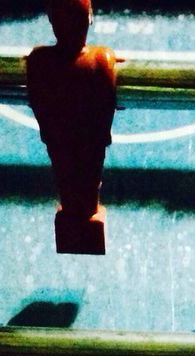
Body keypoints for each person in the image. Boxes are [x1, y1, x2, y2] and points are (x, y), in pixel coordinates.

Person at [26, 0, 117, 255]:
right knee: (87, 183)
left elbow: (38, 104)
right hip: (89, 139)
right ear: (89, 18)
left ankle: (78, 223)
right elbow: (105, 108)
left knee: (66, 179)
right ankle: (86, 222)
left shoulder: (38, 60)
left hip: (59, 138)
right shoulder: (102, 59)